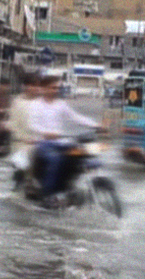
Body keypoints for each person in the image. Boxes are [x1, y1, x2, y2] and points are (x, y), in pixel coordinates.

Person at [27, 75, 101, 208]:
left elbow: (75, 117)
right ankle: (48, 195)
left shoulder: (61, 104)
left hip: (61, 142)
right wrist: (46, 133)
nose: (55, 90)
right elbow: (32, 125)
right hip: (43, 143)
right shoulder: (35, 104)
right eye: (52, 87)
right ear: (43, 88)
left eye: (57, 88)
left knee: (82, 153)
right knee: (55, 159)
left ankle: (72, 187)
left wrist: (96, 125)